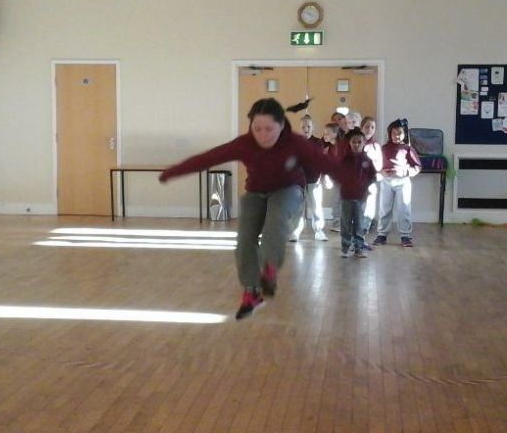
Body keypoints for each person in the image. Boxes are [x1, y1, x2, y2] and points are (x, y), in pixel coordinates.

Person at [159, 98, 349, 320]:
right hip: (257, 192)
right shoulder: (245, 144)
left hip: (289, 189)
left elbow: (328, 164)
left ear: (281, 125)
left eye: (269, 129)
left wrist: (356, 185)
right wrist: (174, 171)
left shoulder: (295, 143)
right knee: (244, 240)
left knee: (275, 222)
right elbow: (209, 158)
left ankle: (269, 269)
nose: (263, 135)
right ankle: (251, 293)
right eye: (257, 129)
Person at [373, 118, 421, 247]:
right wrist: (381, 172)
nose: (396, 136)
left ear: (404, 134)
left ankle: (405, 236)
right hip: (386, 181)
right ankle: (382, 234)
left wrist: (405, 172)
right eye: (393, 133)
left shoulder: (408, 149)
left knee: (404, 209)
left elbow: (417, 167)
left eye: (399, 133)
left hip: (403, 182)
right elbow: (376, 165)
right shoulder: (383, 148)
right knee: (384, 208)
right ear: (390, 134)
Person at [289, 115, 329, 242]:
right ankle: (296, 231)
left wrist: (324, 175)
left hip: (314, 180)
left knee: (316, 206)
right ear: (300, 128)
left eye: (308, 126)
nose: (306, 129)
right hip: (298, 182)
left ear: (313, 128)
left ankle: (319, 230)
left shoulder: (318, 143)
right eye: (303, 127)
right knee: (298, 208)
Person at [337, 128, 377, 259]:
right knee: (345, 224)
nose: (356, 144)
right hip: (346, 196)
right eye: (354, 142)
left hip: (361, 197)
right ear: (349, 143)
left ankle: (359, 248)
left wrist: (366, 189)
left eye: (359, 142)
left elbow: (372, 176)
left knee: (359, 224)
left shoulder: (367, 160)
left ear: (364, 143)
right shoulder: (344, 159)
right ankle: (345, 248)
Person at [358, 116, 383, 251]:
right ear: (362, 127)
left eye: (372, 127)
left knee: (369, 211)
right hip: (358, 183)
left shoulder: (375, 146)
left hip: (371, 183)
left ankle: (361, 238)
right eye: (367, 126)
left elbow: (379, 164)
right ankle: (354, 240)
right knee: (358, 211)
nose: (369, 129)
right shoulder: (356, 143)